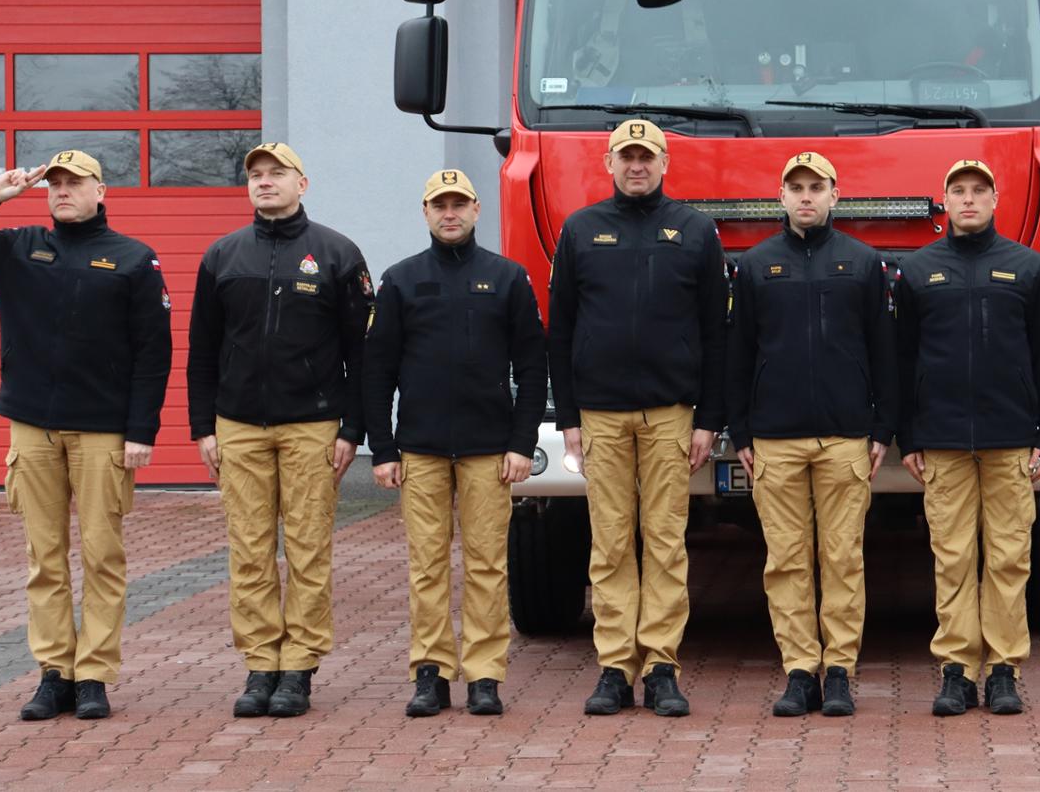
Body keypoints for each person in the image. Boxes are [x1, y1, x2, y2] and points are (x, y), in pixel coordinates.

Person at [0, 150, 170, 721]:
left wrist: (141, 430)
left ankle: (94, 677)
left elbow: (154, 353)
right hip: (32, 426)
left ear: (100, 190)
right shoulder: (15, 248)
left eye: (74, 183)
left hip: (104, 434)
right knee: (45, 558)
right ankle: (55, 673)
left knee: (103, 556)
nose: (62, 191)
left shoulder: (133, 259)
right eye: (54, 183)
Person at [187, 142, 374, 718]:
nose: (265, 183)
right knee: (249, 551)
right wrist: (204, 427)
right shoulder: (223, 256)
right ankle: (260, 664)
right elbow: (201, 351)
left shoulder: (337, 254)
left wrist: (353, 429)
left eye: (277, 174)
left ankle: (299, 667)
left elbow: (363, 352)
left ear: (303, 183)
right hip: (238, 425)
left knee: (309, 549)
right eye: (257, 176)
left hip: (312, 426)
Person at [548, 119, 727, 717]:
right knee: (611, 544)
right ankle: (615, 669)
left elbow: (715, 331)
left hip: (672, 416)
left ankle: (662, 668)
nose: (636, 166)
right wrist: (568, 415)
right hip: (599, 416)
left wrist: (708, 418)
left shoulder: (696, 231)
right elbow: (563, 329)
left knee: (666, 542)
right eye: (626, 157)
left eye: (646, 157)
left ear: (664, 163)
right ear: (609, 164)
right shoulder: (580, 230)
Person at [364, 169, 547, 717]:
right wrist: (385, 448)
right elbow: (378, 371)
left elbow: (532, 368)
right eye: (439, 205)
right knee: (427, 564)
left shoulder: (508, 278)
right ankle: (432, 672)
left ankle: (485, 674)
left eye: (459, 204)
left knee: (489, 565)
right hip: (419, 449)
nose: (450, 213)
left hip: (490, 450)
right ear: (425, 213)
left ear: (476, 211)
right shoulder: (400, 280)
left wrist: (521, 442)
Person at [727, 152, 897, 717]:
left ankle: (841, 671)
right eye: (795, 187)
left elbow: (884, 351)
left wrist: (881, 428)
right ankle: (800, 671)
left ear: (835, 195)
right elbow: (739, 354)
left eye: (816, 187)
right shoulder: (754, 267)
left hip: (845, 439)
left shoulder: (863, 263)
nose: (806, 197)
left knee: (843, 558)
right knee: (787, 560)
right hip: (774, 440)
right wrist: (742, 431)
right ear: (780, 197)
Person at [894, 159, 1040, 716]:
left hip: (1011, 437)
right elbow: (902, 358)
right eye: (958, 190)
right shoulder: (917, 272)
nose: (969, 200)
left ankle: (1005, 670)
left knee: (1010, 557)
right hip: (941, 440)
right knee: (953, 556)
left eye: (978, 191)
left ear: (995, 201)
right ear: (945, 200)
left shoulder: (1029, 268)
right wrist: (908, 436)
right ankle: (958, 671)